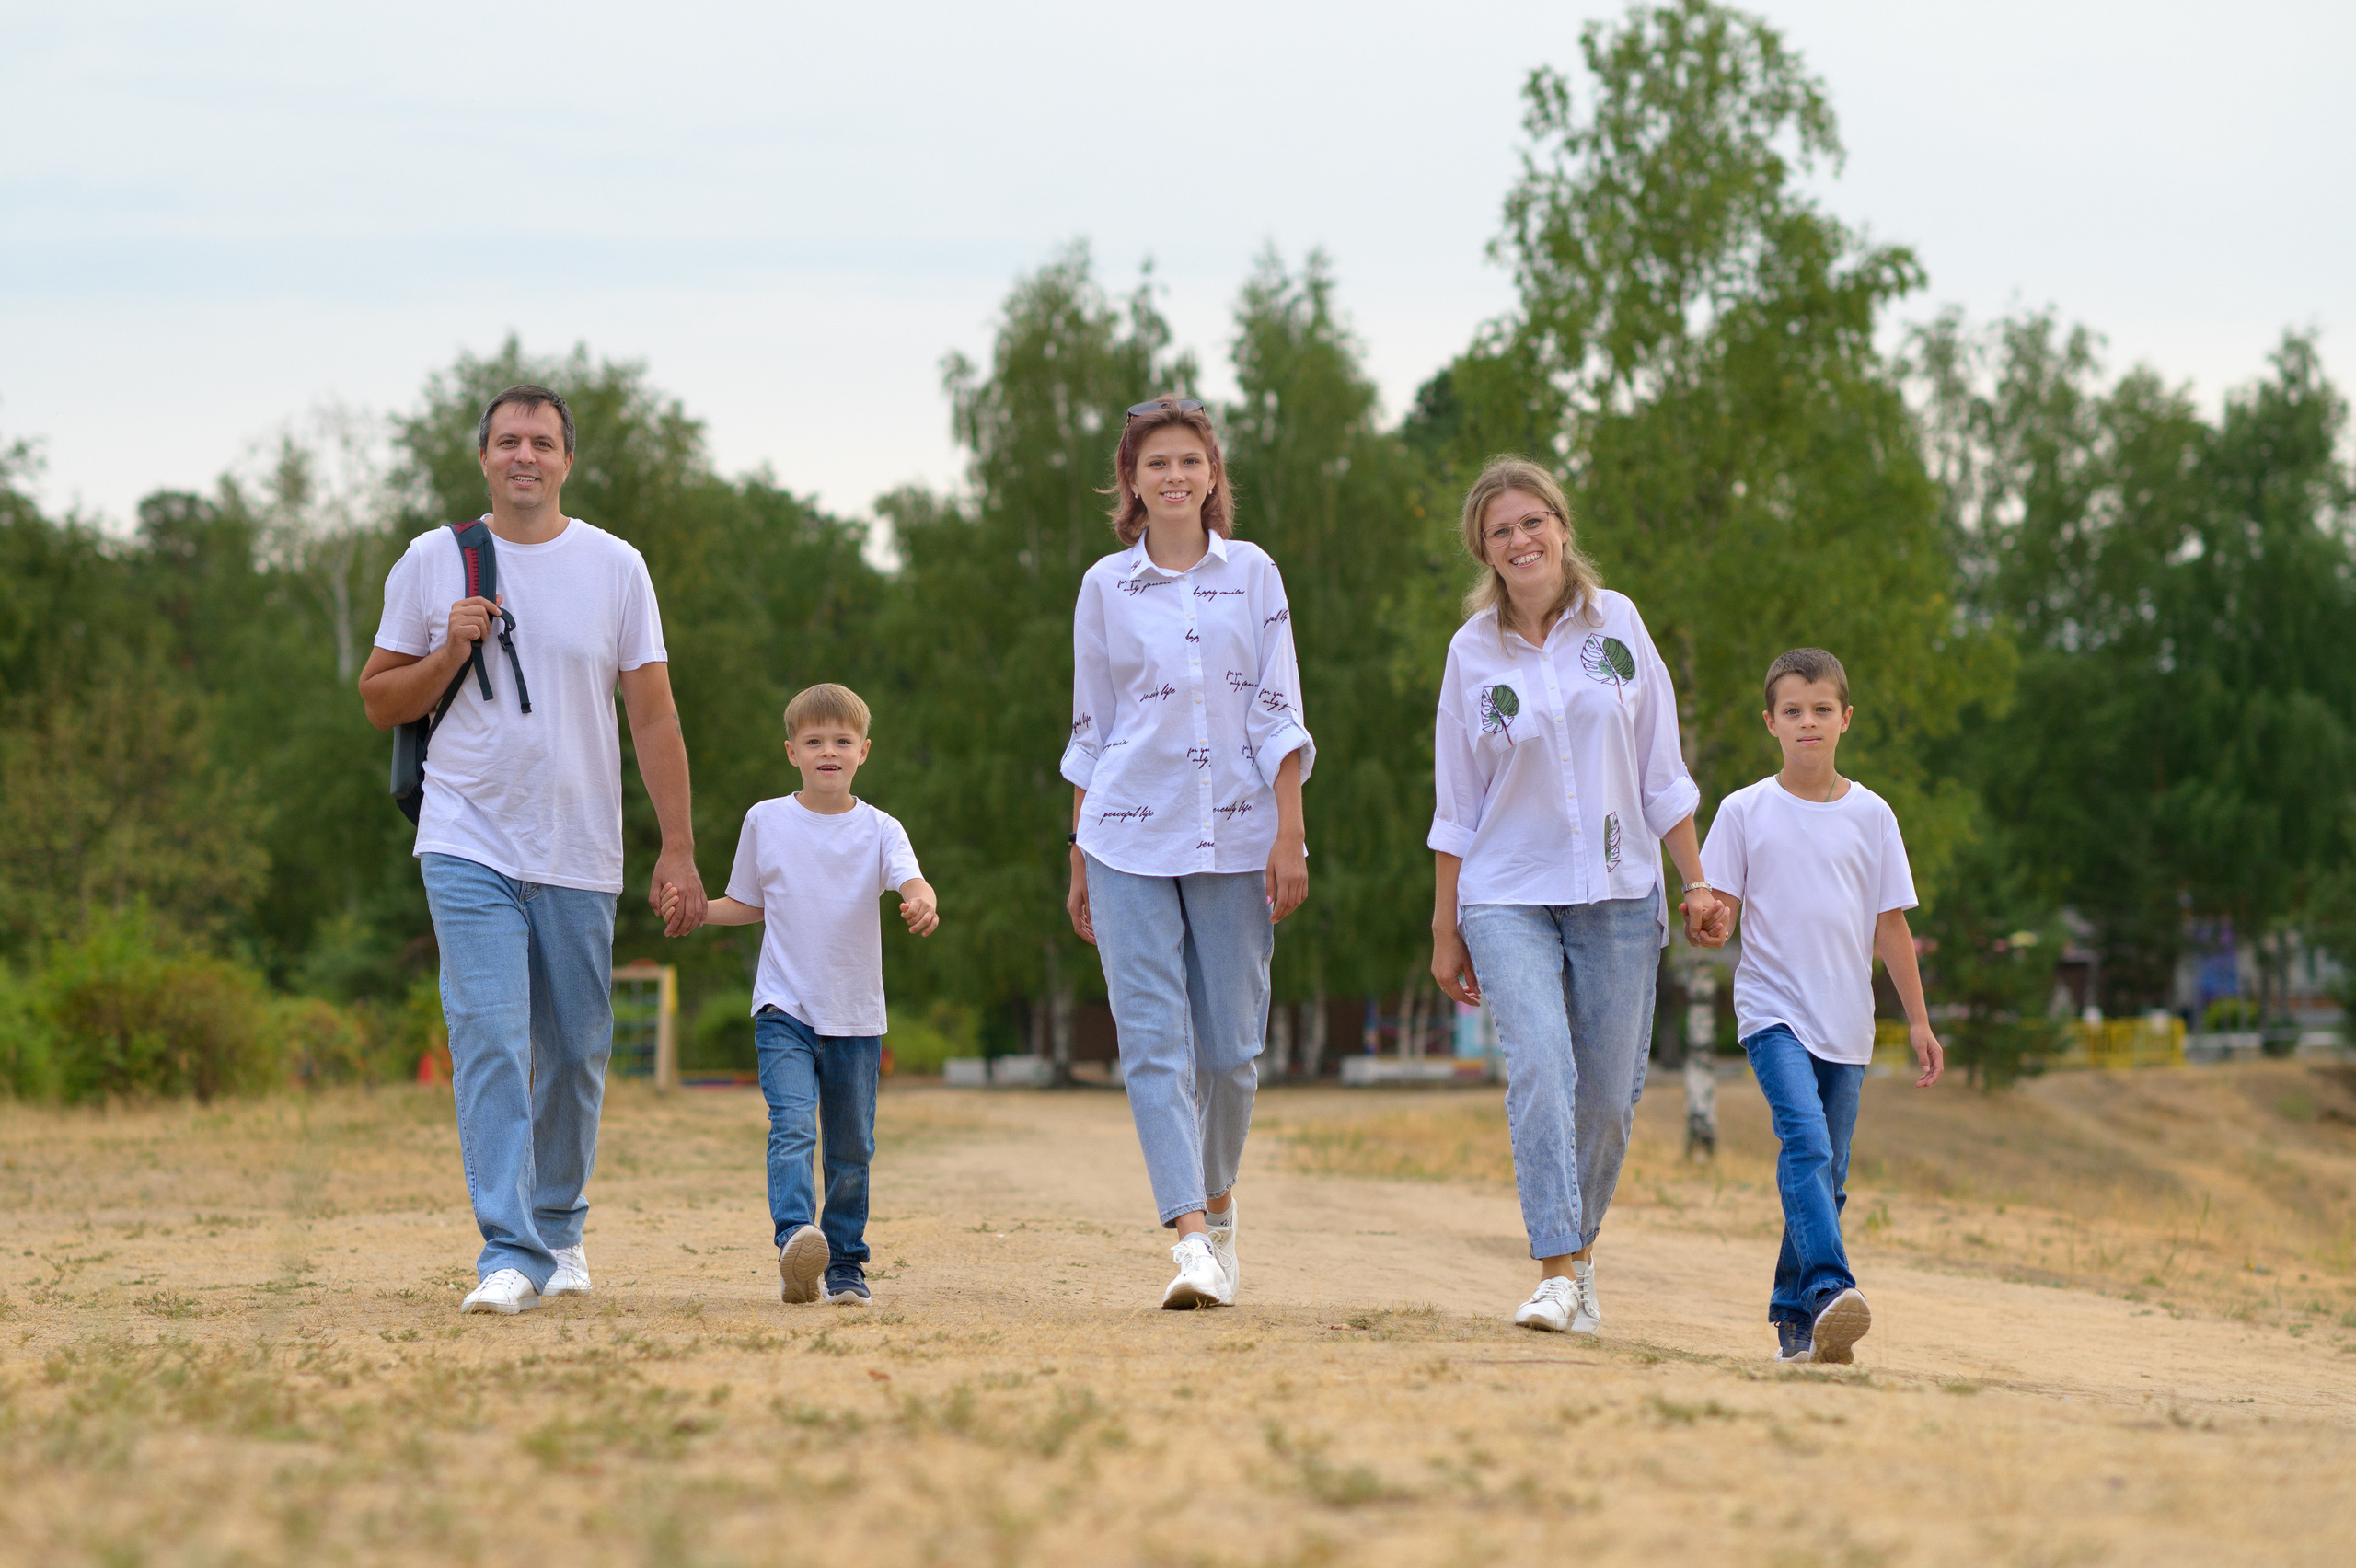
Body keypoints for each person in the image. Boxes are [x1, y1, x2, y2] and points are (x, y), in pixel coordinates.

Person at [359, 384, 707, 1317]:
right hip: (466, 835)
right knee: (489, 1038)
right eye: (508, 440)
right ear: (484, 457)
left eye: (542, 442)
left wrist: (677, 848)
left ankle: (558, 1227)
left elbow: (653, 711)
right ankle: (507, 1253)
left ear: (565, 460)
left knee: (576, 1048)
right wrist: (447, 650)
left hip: (580, 847)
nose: (525, 456)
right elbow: (382, 699)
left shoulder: (615, 567)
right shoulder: (434, 561)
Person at [1427, 455, 1719, 1335]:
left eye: (1532, 521)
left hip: (1620, 886)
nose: (1520, 540)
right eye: (1500, 529)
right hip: (1506, 890)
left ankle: (1580, 1258)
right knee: (1543, 1069)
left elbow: (1660, 769)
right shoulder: (1470, 653)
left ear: (1561, 525)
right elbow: (1457, 802)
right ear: (1484, 548)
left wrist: (1696, 880)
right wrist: (1446, 926)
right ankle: (1556, 1268)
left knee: (1607, 1095)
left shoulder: (1616, 625)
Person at [1061, 396, 1312, 1310]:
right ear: (1131, 480)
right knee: (1153, 1042)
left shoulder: (1253, 576)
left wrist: (1290, 832)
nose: (1174, 477)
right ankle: (1190, 1240)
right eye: (1156, 463)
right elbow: (1091, 726)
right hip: (1126, 834)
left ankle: (1220, 1204)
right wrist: (1078, 852)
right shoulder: (1103, 588)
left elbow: (1279, 708)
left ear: (1212, 477)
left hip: (1242, 835)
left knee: (1233, 1050)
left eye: (1190, 462)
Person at [1699, 648, 1944, 1364]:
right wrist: (1708, 916)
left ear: (1845, 720)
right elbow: (1722, 909)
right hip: (1772, 1012)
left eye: (1822, 710)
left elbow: (1890, 925)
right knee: (1805, 1144)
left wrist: (1920, 1023)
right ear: (1770, 722)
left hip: (1848, 1024)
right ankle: (1834, 1286)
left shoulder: (1873, 815)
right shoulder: (1744, 810)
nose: (1809, 722)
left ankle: (1796, 1320)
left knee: (1828, 1176)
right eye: (1793, 711)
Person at [669, 683, 938, 1307]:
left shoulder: (881, 829)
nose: (828, 751)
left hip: (855, 1015)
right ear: (791, 751)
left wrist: (920, 900)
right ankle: (796, 1239)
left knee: (851, 1149)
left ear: (863, 751)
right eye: (814, 741)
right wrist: (698, 910)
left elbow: (912, 879)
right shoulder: (765, 820)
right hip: (783, 1008)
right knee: (791, 1127)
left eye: (842, 741)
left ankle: (844, 1263)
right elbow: (748, 903)